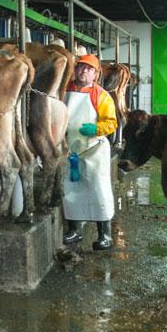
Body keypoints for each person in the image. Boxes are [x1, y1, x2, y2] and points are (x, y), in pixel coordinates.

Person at [62, 53, 118, 250]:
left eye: (89, 69)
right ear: (75, 69)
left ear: (95, 74)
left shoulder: (101, 95)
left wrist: (96, 129)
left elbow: (112, 123)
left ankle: (105, 235)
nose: (84, 71)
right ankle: (74, 231)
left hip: (94, 149)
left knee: (99, 189)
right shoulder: (64, 90)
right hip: (72, 151)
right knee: (71, 190)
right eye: (81, 67)